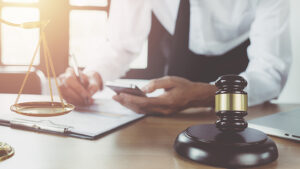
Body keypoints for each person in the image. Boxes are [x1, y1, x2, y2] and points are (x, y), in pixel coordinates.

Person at [58, 0, 292, 115]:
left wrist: (212, 95)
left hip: (238, 80)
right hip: (175, 58)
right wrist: (92, 76)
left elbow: (270, 73)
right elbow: (122, 44)